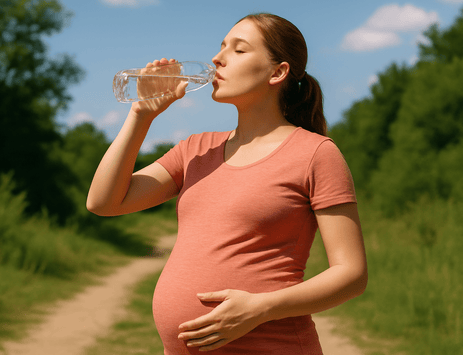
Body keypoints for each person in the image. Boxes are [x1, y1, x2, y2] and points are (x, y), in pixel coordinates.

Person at [87, 13, 368, 355]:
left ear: (277, 72)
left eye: (239, 50)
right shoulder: (195, 149)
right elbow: (104, 202)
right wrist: (140, 115)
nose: (217, 58)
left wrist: (261, 308)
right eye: (221, 47)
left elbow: (351, 274)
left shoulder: (315, 153)